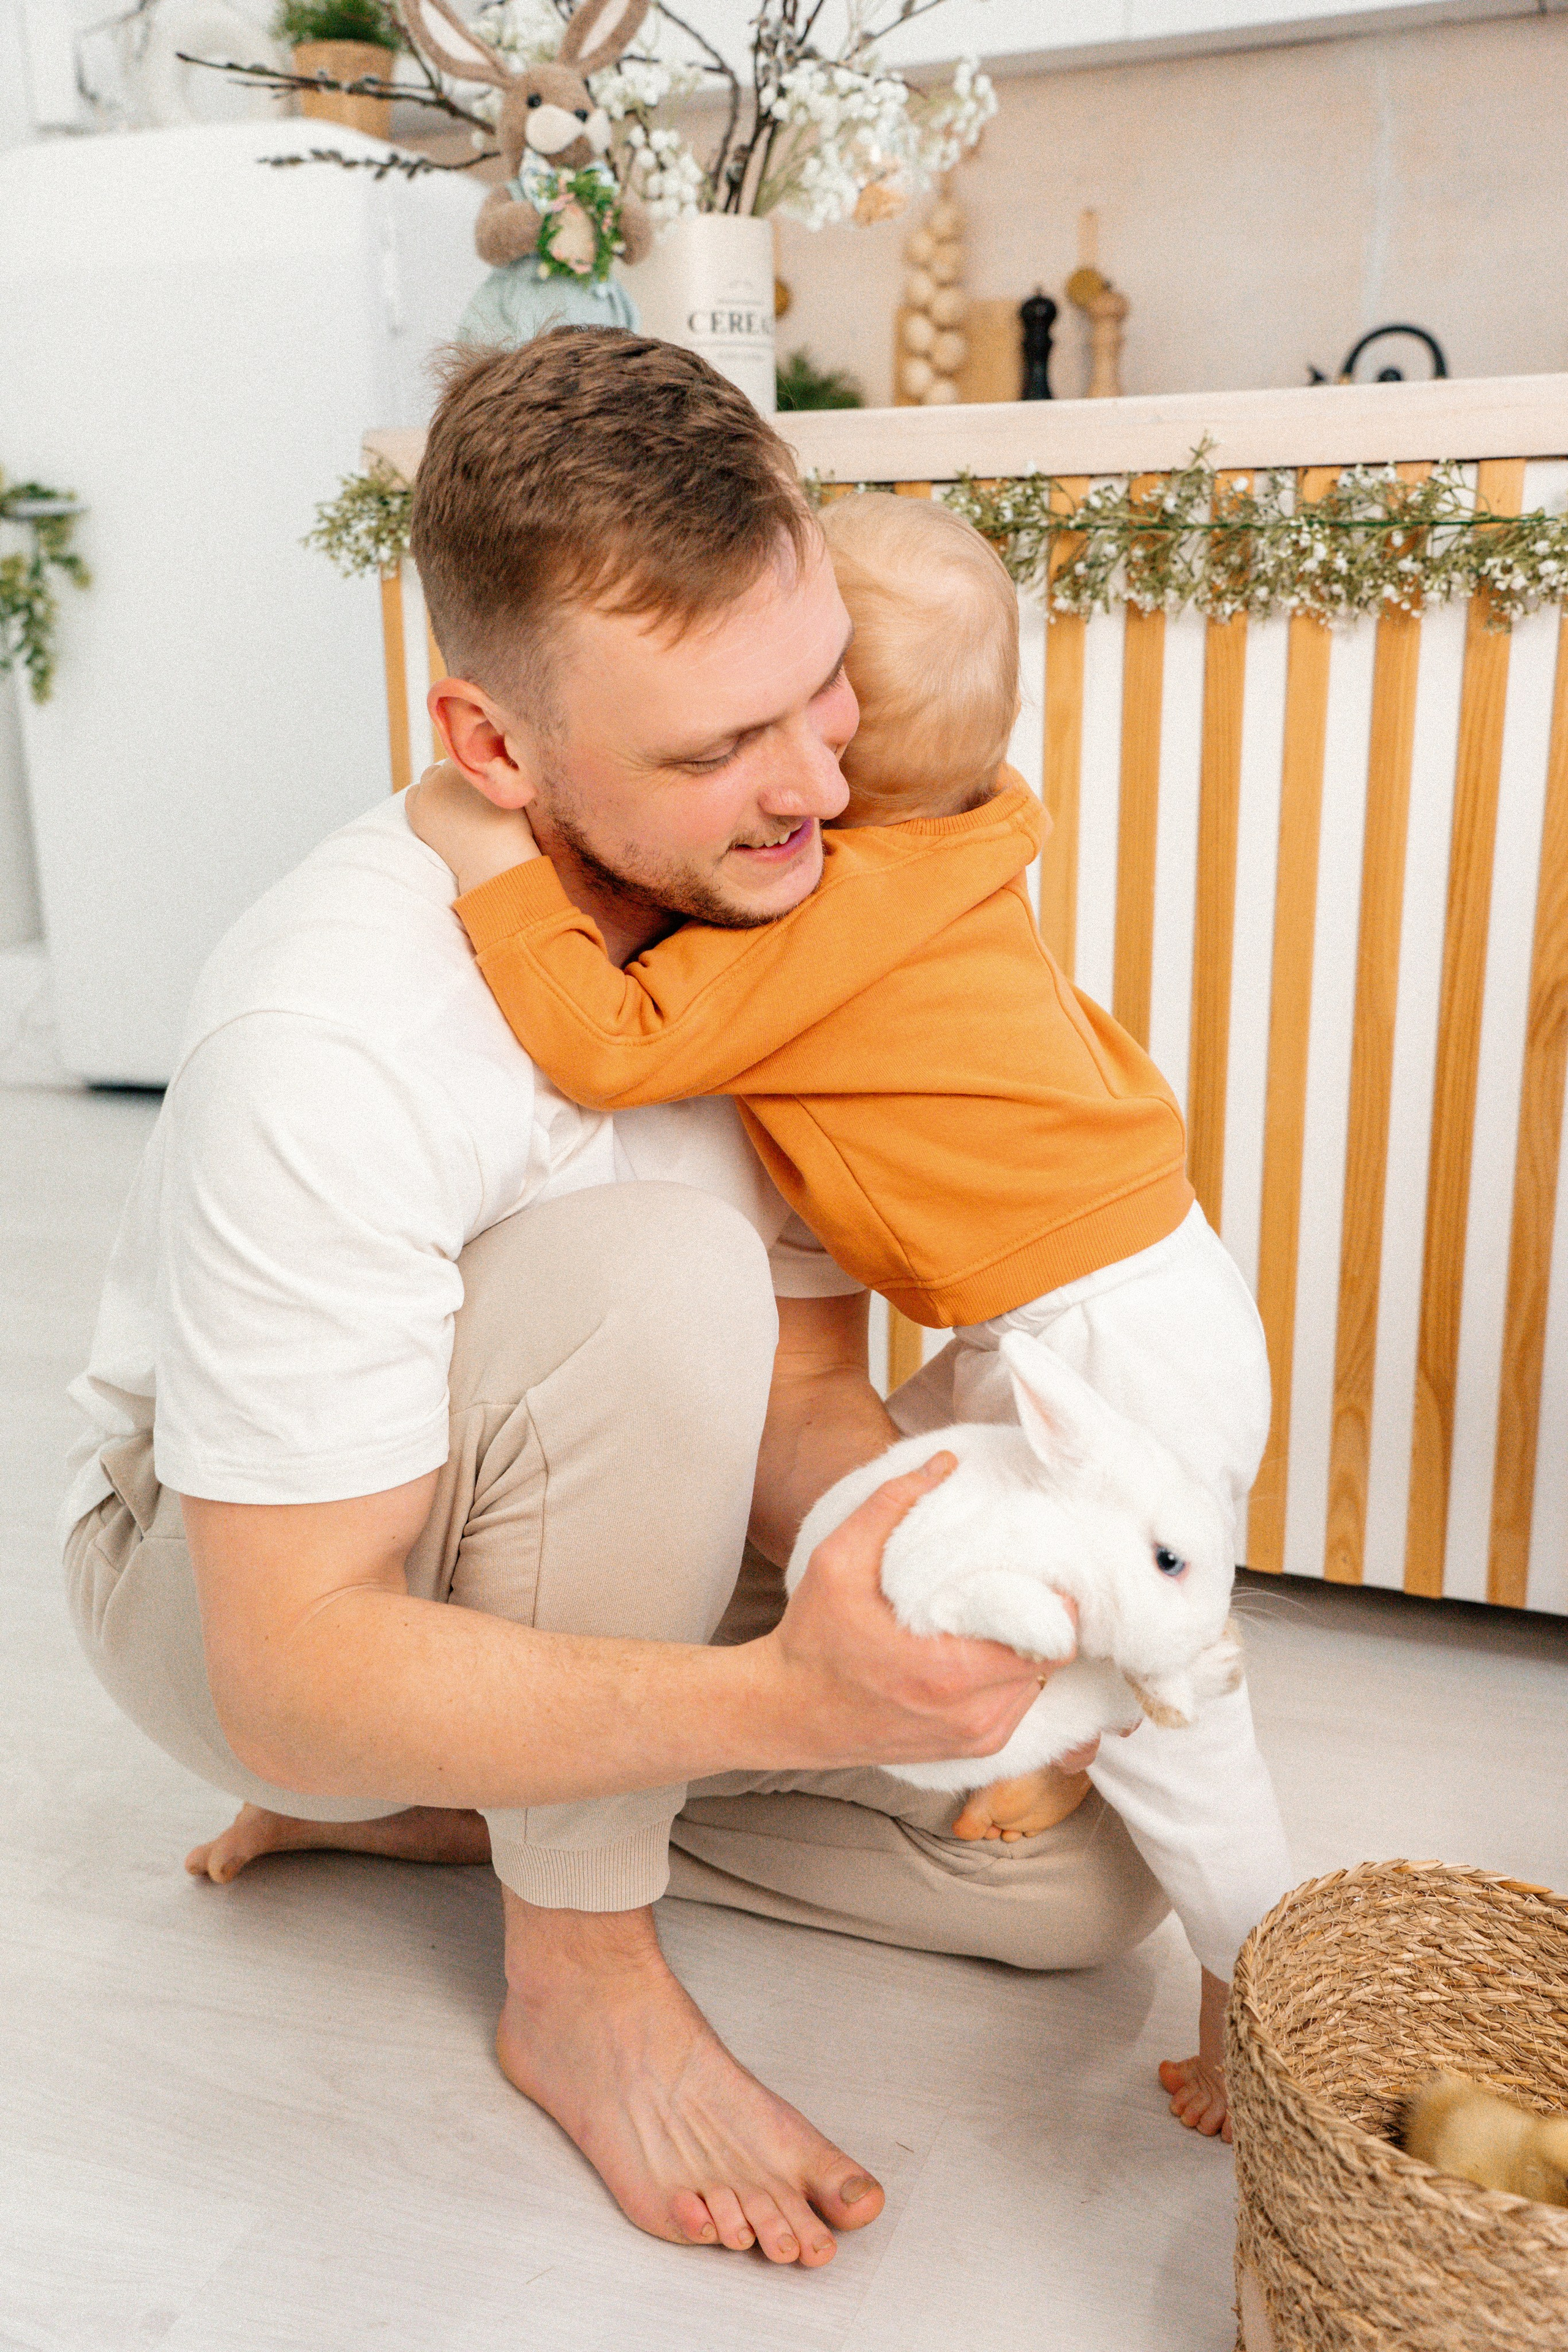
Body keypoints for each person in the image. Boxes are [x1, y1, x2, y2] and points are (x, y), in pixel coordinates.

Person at [60, 331, 1226, 2274]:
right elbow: (291, 1660)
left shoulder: (795, 915)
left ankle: (448, 1808)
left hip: (572, 1515)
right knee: (658, 1274)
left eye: (820, 695)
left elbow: (796, 1391)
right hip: (252, 1587)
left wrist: (948, 1601)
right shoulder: (333, 1036)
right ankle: (580, 1977)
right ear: (497, 748)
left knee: (1075, 1887)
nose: (817, 789)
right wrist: (779, 1697)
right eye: (716, 752)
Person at [405, 488, 1294, 2141]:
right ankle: (1006, 1745)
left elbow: (608, 1043)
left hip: (1109, 1332)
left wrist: (480, 852)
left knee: (1176, 1679)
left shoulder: (843, 904)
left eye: (793, 702)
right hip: (1092, 1299)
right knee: (930, 1560)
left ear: (838, 762)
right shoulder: (967, 829)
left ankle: (1259, 1978)